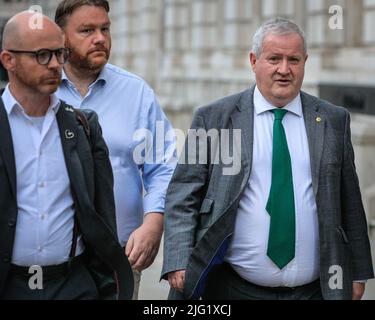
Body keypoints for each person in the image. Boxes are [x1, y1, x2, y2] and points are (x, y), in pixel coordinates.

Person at [162, 17, 374, 300]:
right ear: (254, 60)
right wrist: (178, 259)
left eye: (294, 60)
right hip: (232, 288)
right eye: (274, 58)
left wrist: (358, 271)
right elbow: (183, 194)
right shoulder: (215, 118)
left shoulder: (333, 119)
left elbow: (349, 201)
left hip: (314, 291)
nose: (284, 70)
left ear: (305, 62)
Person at [0, 11, 133, 300]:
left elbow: (102, 215)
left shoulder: (83, 126)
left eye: (60, 54)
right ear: (8, 60)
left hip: (74, 285)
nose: (56, 65)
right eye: (43, 55)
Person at [54, 0, 176, 299]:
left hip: (119, 256)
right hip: (52, 264)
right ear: (61, 37)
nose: (100, 38)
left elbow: (163, 165)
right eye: (86, 30)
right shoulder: (42, 90)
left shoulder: (136, 93)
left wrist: (154, 221)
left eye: (105, 29)